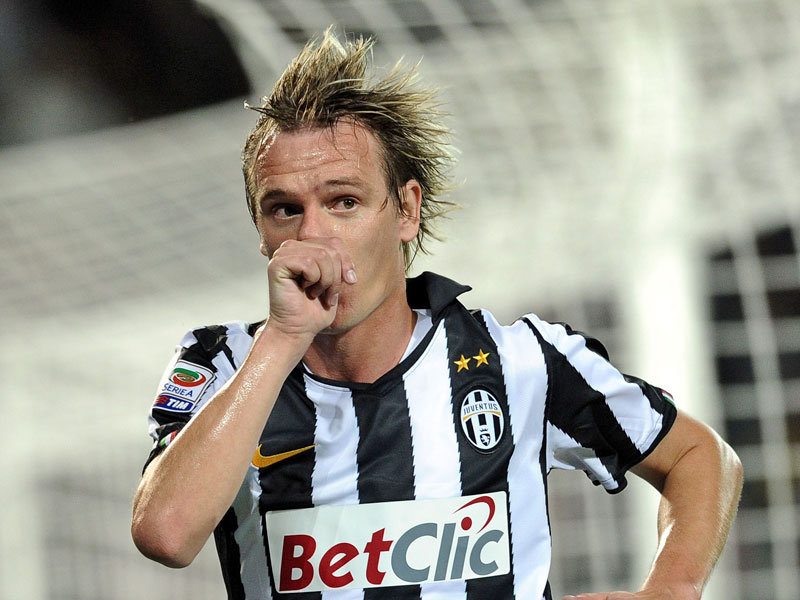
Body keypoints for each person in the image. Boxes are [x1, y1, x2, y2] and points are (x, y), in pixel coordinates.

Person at [131, 28, 743, 600]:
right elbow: (166, 534)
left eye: (344, 201)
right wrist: (284, 337)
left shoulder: (519, 363)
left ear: (406, 210)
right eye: (284, 209)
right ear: (261, 232)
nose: (313, 234)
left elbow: (701, 457)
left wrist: (671, 591)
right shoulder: (221, 365)